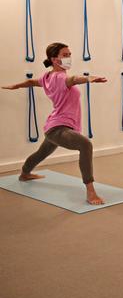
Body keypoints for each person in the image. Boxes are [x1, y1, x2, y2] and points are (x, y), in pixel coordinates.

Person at [2, 42, 107, 205]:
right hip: (59, 128)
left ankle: (25, 173)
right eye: (65, 55)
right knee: (85, 145)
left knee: (41, 154)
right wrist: (89, 78)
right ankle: (91, 192)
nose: (69, 58)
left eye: (69, 54)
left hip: (53, 126)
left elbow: (32, 82)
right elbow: (73, 79)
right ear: (54, 59)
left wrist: (15, 85)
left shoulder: (47, 76)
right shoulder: (60, 77)